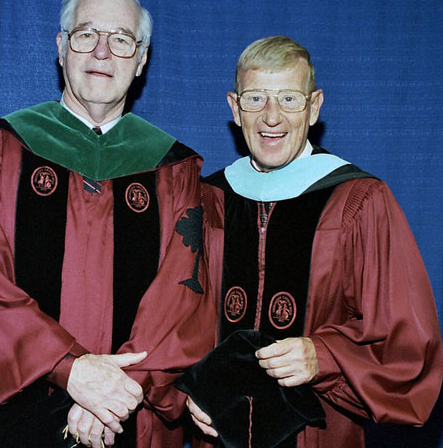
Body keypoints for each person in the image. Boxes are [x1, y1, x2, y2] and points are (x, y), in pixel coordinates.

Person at [0, 0, 214, 448]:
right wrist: (70, 372)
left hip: (134, 410)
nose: (103, 53)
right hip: (21, 414)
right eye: (86, 34)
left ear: (142, 58)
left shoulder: (175, 169)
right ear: (61, 47)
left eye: (122, 39)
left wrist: (113, 395)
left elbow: (184, 301)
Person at [186, 36, 442, 448]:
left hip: (316, 433)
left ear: (315, 105)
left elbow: (409, 345)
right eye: (256, 99)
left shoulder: (359, 201)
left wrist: (324, 355)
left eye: (289, 99)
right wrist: (190, 389)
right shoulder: (209, 199)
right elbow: (177, 320)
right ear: (235, 108)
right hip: (216, 431)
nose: (272, 117)